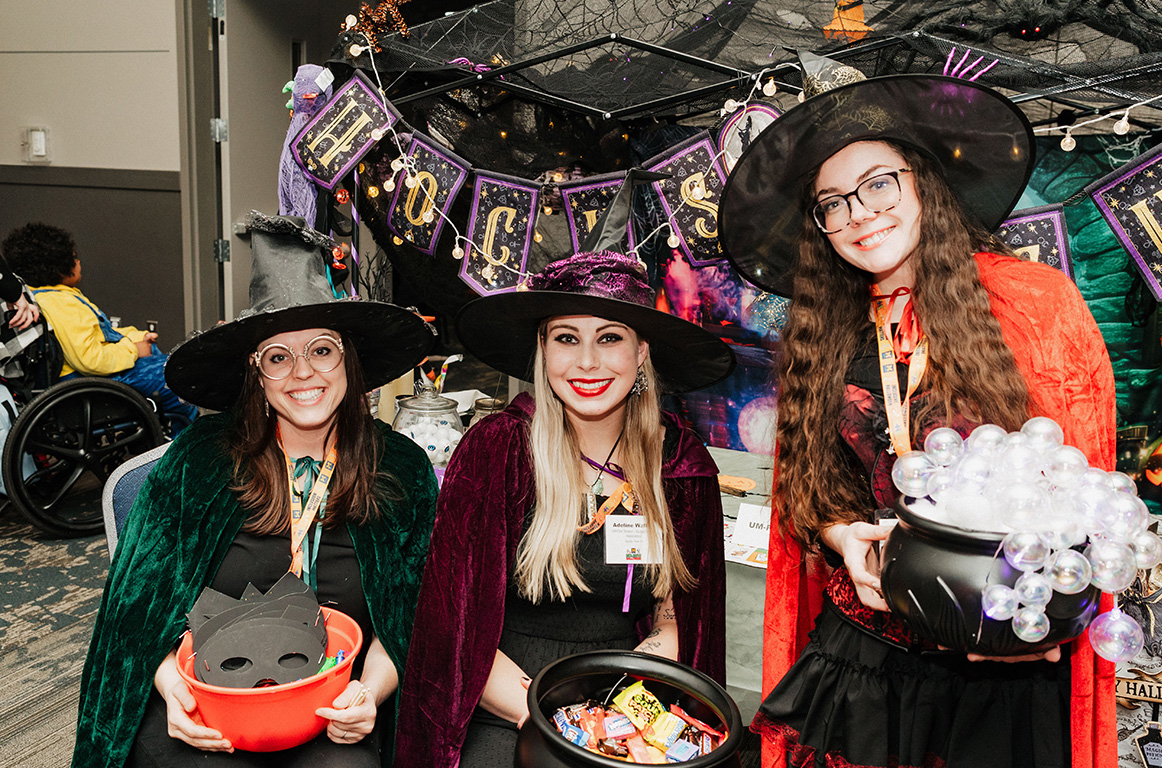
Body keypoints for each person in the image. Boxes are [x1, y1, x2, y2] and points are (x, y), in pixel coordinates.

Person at [717, 74, 1117, 768]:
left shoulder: (1033, 304)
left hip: (1000, 661)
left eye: (878, 185)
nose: (858, 215)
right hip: (865, 660)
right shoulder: (821, 330)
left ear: (923, 183)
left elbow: (1084, 491)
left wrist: (1045, 610)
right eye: (832, 203)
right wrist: (843, 538)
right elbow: (810, 493)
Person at [71, 212, 439, 768]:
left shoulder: (400, 469)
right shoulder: (202, 460)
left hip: (333, 703)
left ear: (349, 359)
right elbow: (136, 613)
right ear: (256, 373)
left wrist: (369, 694)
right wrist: (175, 690)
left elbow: (412, 619)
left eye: (321, 349)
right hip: (207, 697)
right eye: (278, 357)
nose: (302, 373)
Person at [397, 251, 735, 766]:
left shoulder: (679, 464)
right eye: (567, 338)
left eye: (610, 338)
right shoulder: (498, 451)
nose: (587, 362)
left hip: (626, 694)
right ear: (543, 349)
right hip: (505, 697)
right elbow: (453, 629)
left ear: (641, 352)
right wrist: (558, 724)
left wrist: (613, 715)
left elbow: (677, 616)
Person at [2, 222, 197, 428]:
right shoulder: (61, 304)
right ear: (59, 266)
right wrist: (133, 349)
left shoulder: (50, 296)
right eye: (74, 257)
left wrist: (136, 337)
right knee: (181, 377)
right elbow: (90, 360)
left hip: (88, 378)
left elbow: (100, 334)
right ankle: (182, 438)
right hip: (88, 383)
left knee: (169, 364)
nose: (78, 261)